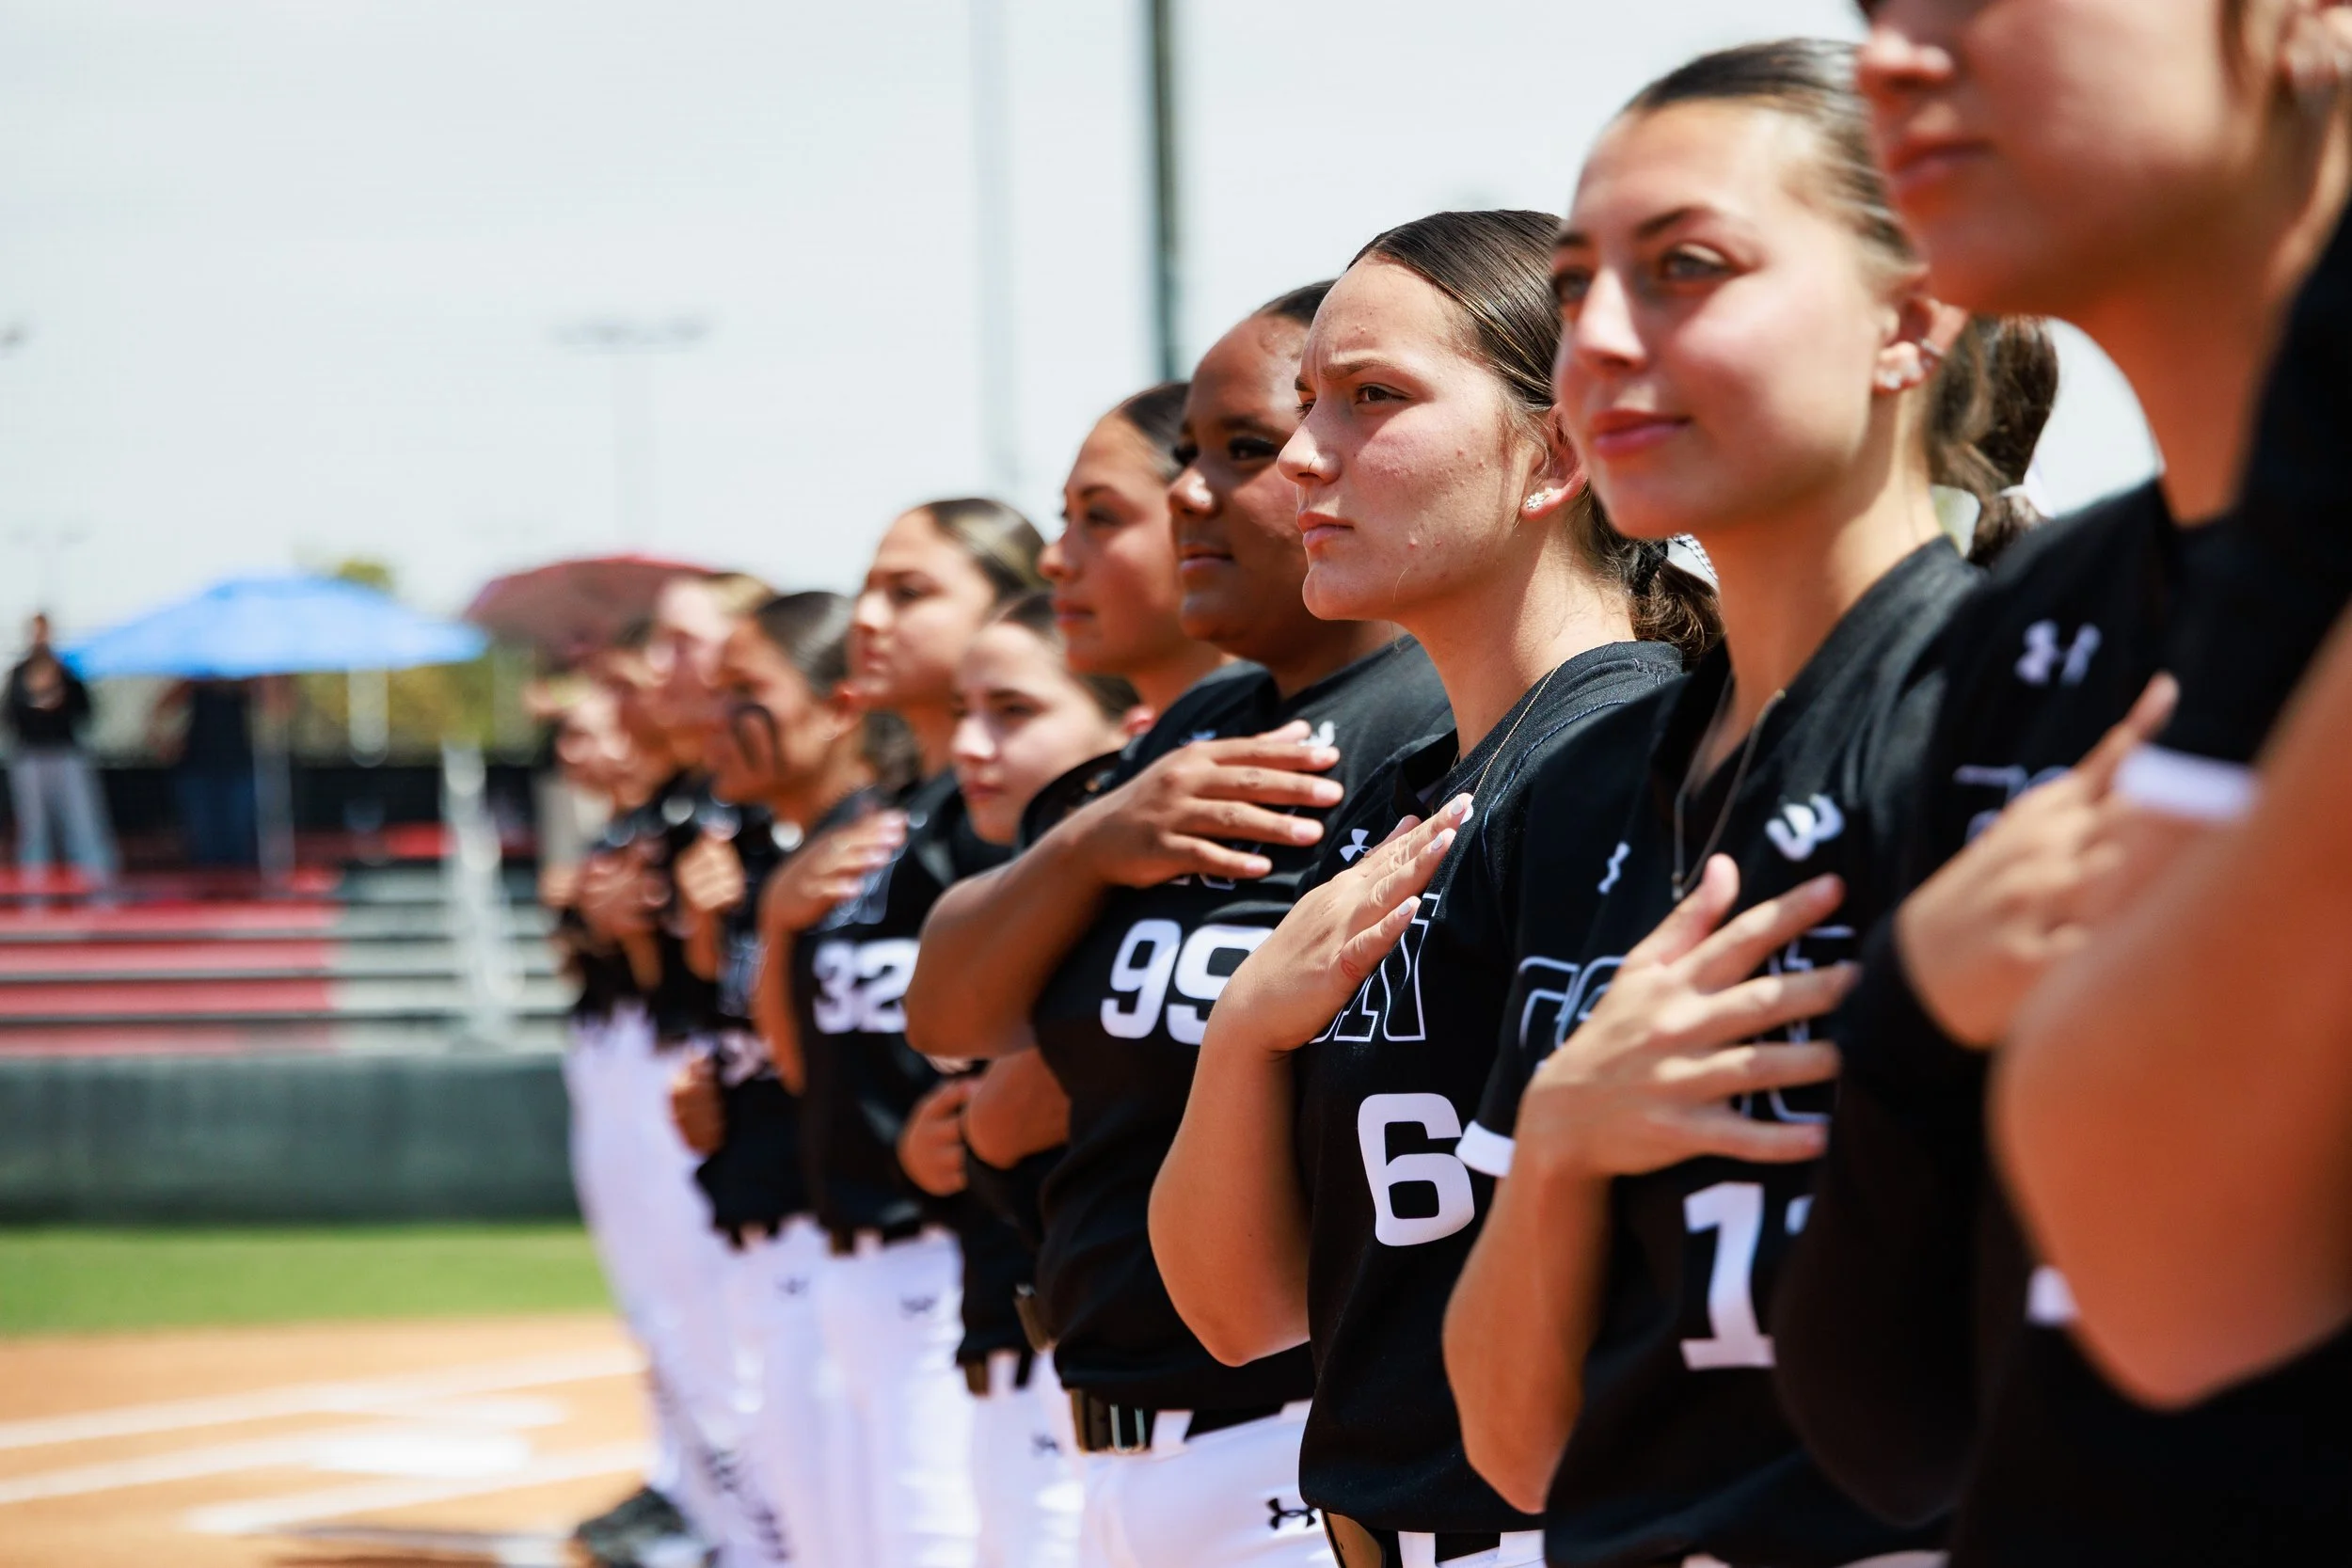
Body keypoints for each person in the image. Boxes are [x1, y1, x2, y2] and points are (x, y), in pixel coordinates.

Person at [1762, 4, 2352, 1563]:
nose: (1895, 59)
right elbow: (1894, 1426)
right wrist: (1904, 1022)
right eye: (1878, 15)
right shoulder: (2037, 617)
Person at [1441, 40, 1999, 1568]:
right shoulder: (1578, 785)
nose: (1603, 339)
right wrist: (1562, 1130)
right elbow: (1511, 1440)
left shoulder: (2005, 716)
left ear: (1908, 320)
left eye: (1687, 267)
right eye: (1571, 289)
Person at [1149, 209, 1706, 1568]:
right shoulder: (1405, 785)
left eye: (1372, 399)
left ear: (1556, 452)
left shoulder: (1628, 755)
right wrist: (1244, 1028)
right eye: (1306, 407)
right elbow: (1242, 1313)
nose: (1299, 459)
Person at [906, 280, 1452, 1568]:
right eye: (1190, 456)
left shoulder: (1428, 719)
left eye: (1242, 452)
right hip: (1123, 1448)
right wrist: (1098, 833)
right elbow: (950, 1013)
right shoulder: (1196, 733)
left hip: (1292, 1436)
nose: (1191, 493)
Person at [758, 497, 1044, 1568]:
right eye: (870, 587)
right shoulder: (889, 817)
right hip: (860, 1252)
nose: (868, 616)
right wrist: (777, 916)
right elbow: (811, 1060)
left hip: (956, 1259)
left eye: (910, 591)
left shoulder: (1008, 812)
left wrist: (976, 1125)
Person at [902, 590, 1140, 1568]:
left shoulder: (1158, 897)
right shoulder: (982, 888)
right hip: (1028, 1334)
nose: (970, 745)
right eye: (964, 712)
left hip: (1168, 1374)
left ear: (1128, 728)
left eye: (1015, 710)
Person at [5, 612, 116, 889]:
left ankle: (97, 881)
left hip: (66, 753)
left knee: (83, 821)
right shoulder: (19, 672)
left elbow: (86, 711)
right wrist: (33, 703)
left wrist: (59, 700)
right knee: (34, 826)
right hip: (30, 755)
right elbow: (9, 714)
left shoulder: (68, 671)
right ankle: (34, 884)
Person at [153, 676, 257, 868]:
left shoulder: (245, 681)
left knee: (238, 842)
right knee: (205, 845)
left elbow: (280, 708)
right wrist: (165, 743)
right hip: (198, 769)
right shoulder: (195, 681)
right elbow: (160, 709)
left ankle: (238, 894)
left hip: (237, 769)